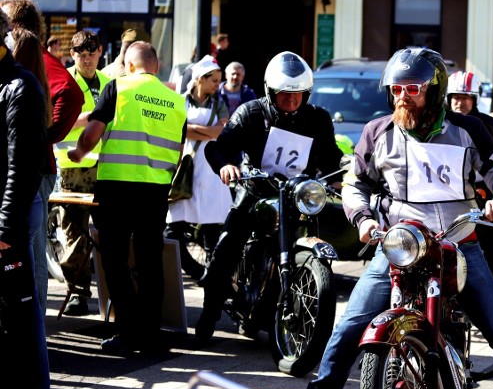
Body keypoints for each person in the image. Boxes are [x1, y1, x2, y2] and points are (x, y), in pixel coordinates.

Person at [287, 47, 493, 389]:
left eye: (412, 87)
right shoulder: (377, 132)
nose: (402, 96)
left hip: (459, 244)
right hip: (400, 246)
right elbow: (354, 182)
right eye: (396, 88)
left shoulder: (468, 129)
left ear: (434, 89)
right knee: (350, 325)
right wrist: (361, 218)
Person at [195, 51, 343, 341]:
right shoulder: (251, 112)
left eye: (297, 95)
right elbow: (219, 147)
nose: (290, 101)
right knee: (227, 246)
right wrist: (226, 165)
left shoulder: (318, 119)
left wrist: (338, 178)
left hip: (297, 195)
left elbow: (331, 158)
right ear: (270, 91)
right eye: (284, 95)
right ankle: (209, 311)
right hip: (256, 191)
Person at [68, 42, 187, 353]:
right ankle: (150, 335)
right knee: (150, 262)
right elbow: (178, 150)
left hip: (117, 187)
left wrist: (79, 152)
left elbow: (93, 132)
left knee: (115, 260)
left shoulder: (118, 87)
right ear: (156, 68)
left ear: (129, 65)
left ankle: (128, 331)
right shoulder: (176, 101)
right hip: (156, 190)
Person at [0, 0, 84, 317]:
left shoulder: (33, 56)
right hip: (33, 169)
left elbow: (71, 94)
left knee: (29, 258)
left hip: (32, 171)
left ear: (15, 26)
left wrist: (44, 135)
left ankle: (34, 331)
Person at [0, 8, 49, 389]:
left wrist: (4, 229)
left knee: (19, 310)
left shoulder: (20, 87)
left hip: (6, 222)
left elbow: (22, 167)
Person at [446, 70, 493, 318]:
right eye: (455, 96)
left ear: (475, 98)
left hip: (486, 197)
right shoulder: (442, 124)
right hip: (451, 198)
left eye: (465, 97)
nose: (459, 102)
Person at [54, 30, 112, 316]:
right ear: (73, 54)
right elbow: (56, 121)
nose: (86, 59)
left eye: (91, 53)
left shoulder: (110, 83)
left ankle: (112, 294)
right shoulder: (64, 80)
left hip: (106, 168)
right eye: (81, 54)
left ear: (100, 52)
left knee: (108, 232)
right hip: (72, 169)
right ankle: (78, 292)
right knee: (73, 233)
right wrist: (92, 119)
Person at [164, 56, 230, 281]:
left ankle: (212, 275)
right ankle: (195, 271)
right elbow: (175, 131)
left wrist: (191, 128)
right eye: (213, 80)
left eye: (219, 80)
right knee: (175, 224)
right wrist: (206, 130)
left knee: (212, 224)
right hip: (186, 167)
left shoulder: (219, 103)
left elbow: (219, 132)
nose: (217, 85)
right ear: (200, 79)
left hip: (210, 167)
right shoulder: (179, 101)